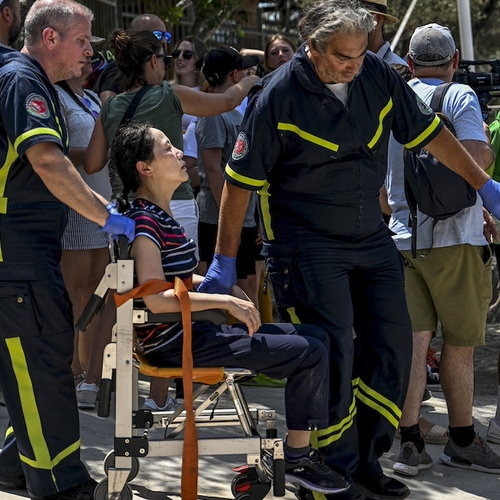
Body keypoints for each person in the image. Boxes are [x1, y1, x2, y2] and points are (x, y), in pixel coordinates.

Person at [198, 1, 500, 499]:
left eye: (360, 54)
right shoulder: (278, 96)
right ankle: (324, 472)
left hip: (370, 239)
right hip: (306, 247)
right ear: (312, 48)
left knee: (393, 347)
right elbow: (238, 182)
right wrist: (224, 261)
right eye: (343, 57)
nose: (354, 65)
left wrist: (485, 186)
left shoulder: (377, 74)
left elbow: (429, 134)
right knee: (334, 351)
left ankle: (365, 463)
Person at [109, 121, 350, 497]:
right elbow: (155, 298)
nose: (179, 154)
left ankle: (300, 450)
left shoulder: (156, 216)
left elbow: (176, 281)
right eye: (168, 148)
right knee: (310, 352)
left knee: (318, 337)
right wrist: (224, 300)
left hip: (193, 332)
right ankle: (298, 454)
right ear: (145, 168)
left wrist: (229, 288)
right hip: (178, 341)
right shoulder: (145, 223)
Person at [0, 0, 135, 498]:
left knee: (38, 367)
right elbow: (49, 163)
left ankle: (16, 465)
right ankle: (60, 484)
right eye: (82, 41)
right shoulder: (23, 80)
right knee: (42, 371)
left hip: (25, 255)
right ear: (49, 38)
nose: (90, 52)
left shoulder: (40, 85)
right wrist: (108, 216)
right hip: (17, 260)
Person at [85, 28, 258, 411]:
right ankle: (160, 397)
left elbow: (94, 162)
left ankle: (95, 383)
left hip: (126, 216)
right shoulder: (170, 95)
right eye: (163, 60)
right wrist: (250, 79)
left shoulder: (111, 106)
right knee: (176, 294)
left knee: (127, 298)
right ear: (152, 63)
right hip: (172, 207)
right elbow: (226, 101)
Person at [387, 23, 500, 478]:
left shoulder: (390, 100)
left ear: (410, 63)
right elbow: (477, 153)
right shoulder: (460, 96)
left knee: (414, 343)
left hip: (401, 236)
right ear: (454, 61)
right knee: (459, 343)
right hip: (456, 237)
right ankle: (462, 439)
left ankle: (409, 443)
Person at [56, 52, 114, 410]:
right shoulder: (54, 97)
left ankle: (89, 376)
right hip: (75, 203)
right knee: (77, 295)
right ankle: (75, 374)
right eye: (82, 48)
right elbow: (52, 152)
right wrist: (96, 152)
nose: (90, 56)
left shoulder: (92, 98)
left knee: (98, 294)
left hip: (103, 206)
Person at [196, 46, 260, 303]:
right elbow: (212, 168)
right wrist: (230, 213)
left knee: (249, 285)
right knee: (223, 290)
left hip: (244, 218)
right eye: (245, 70)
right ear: (235, 76)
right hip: (218, 220)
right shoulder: (212, 115)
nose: (249, 73)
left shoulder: (236, 113)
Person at [93, 13, 171, 103]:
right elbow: (107, 108)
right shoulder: (120, 70)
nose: (164, 41)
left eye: (167, 36)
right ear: (136, 37)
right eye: (157, 35)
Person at [171, 36, 208, 133]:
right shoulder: (167, 89)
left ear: (199, 60)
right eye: (176, 53)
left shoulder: (207, 92)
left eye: (187, 54)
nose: (179, 58)